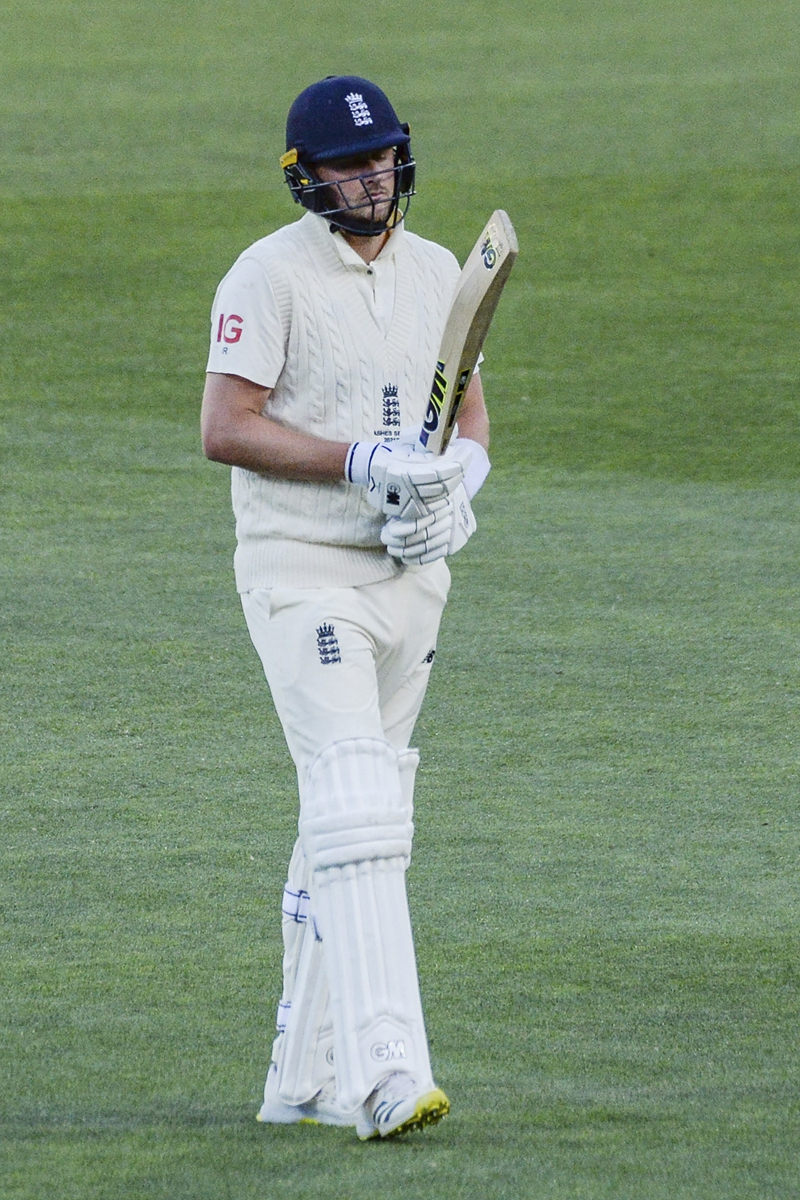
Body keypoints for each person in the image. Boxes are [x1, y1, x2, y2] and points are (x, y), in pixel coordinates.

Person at [201, 75, 491, 1140]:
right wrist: (357, 460)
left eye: (381, 161)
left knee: (354, 825)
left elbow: (464, 409)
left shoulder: (435, 271)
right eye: (346, 167)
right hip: (301, 569)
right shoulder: (267, 276)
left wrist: (461, 485)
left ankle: (298, 1077)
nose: (370, 181)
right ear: (305, 178)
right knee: (354, 800)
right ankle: (383, 1072)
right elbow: (225, 427)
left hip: (408, 581)